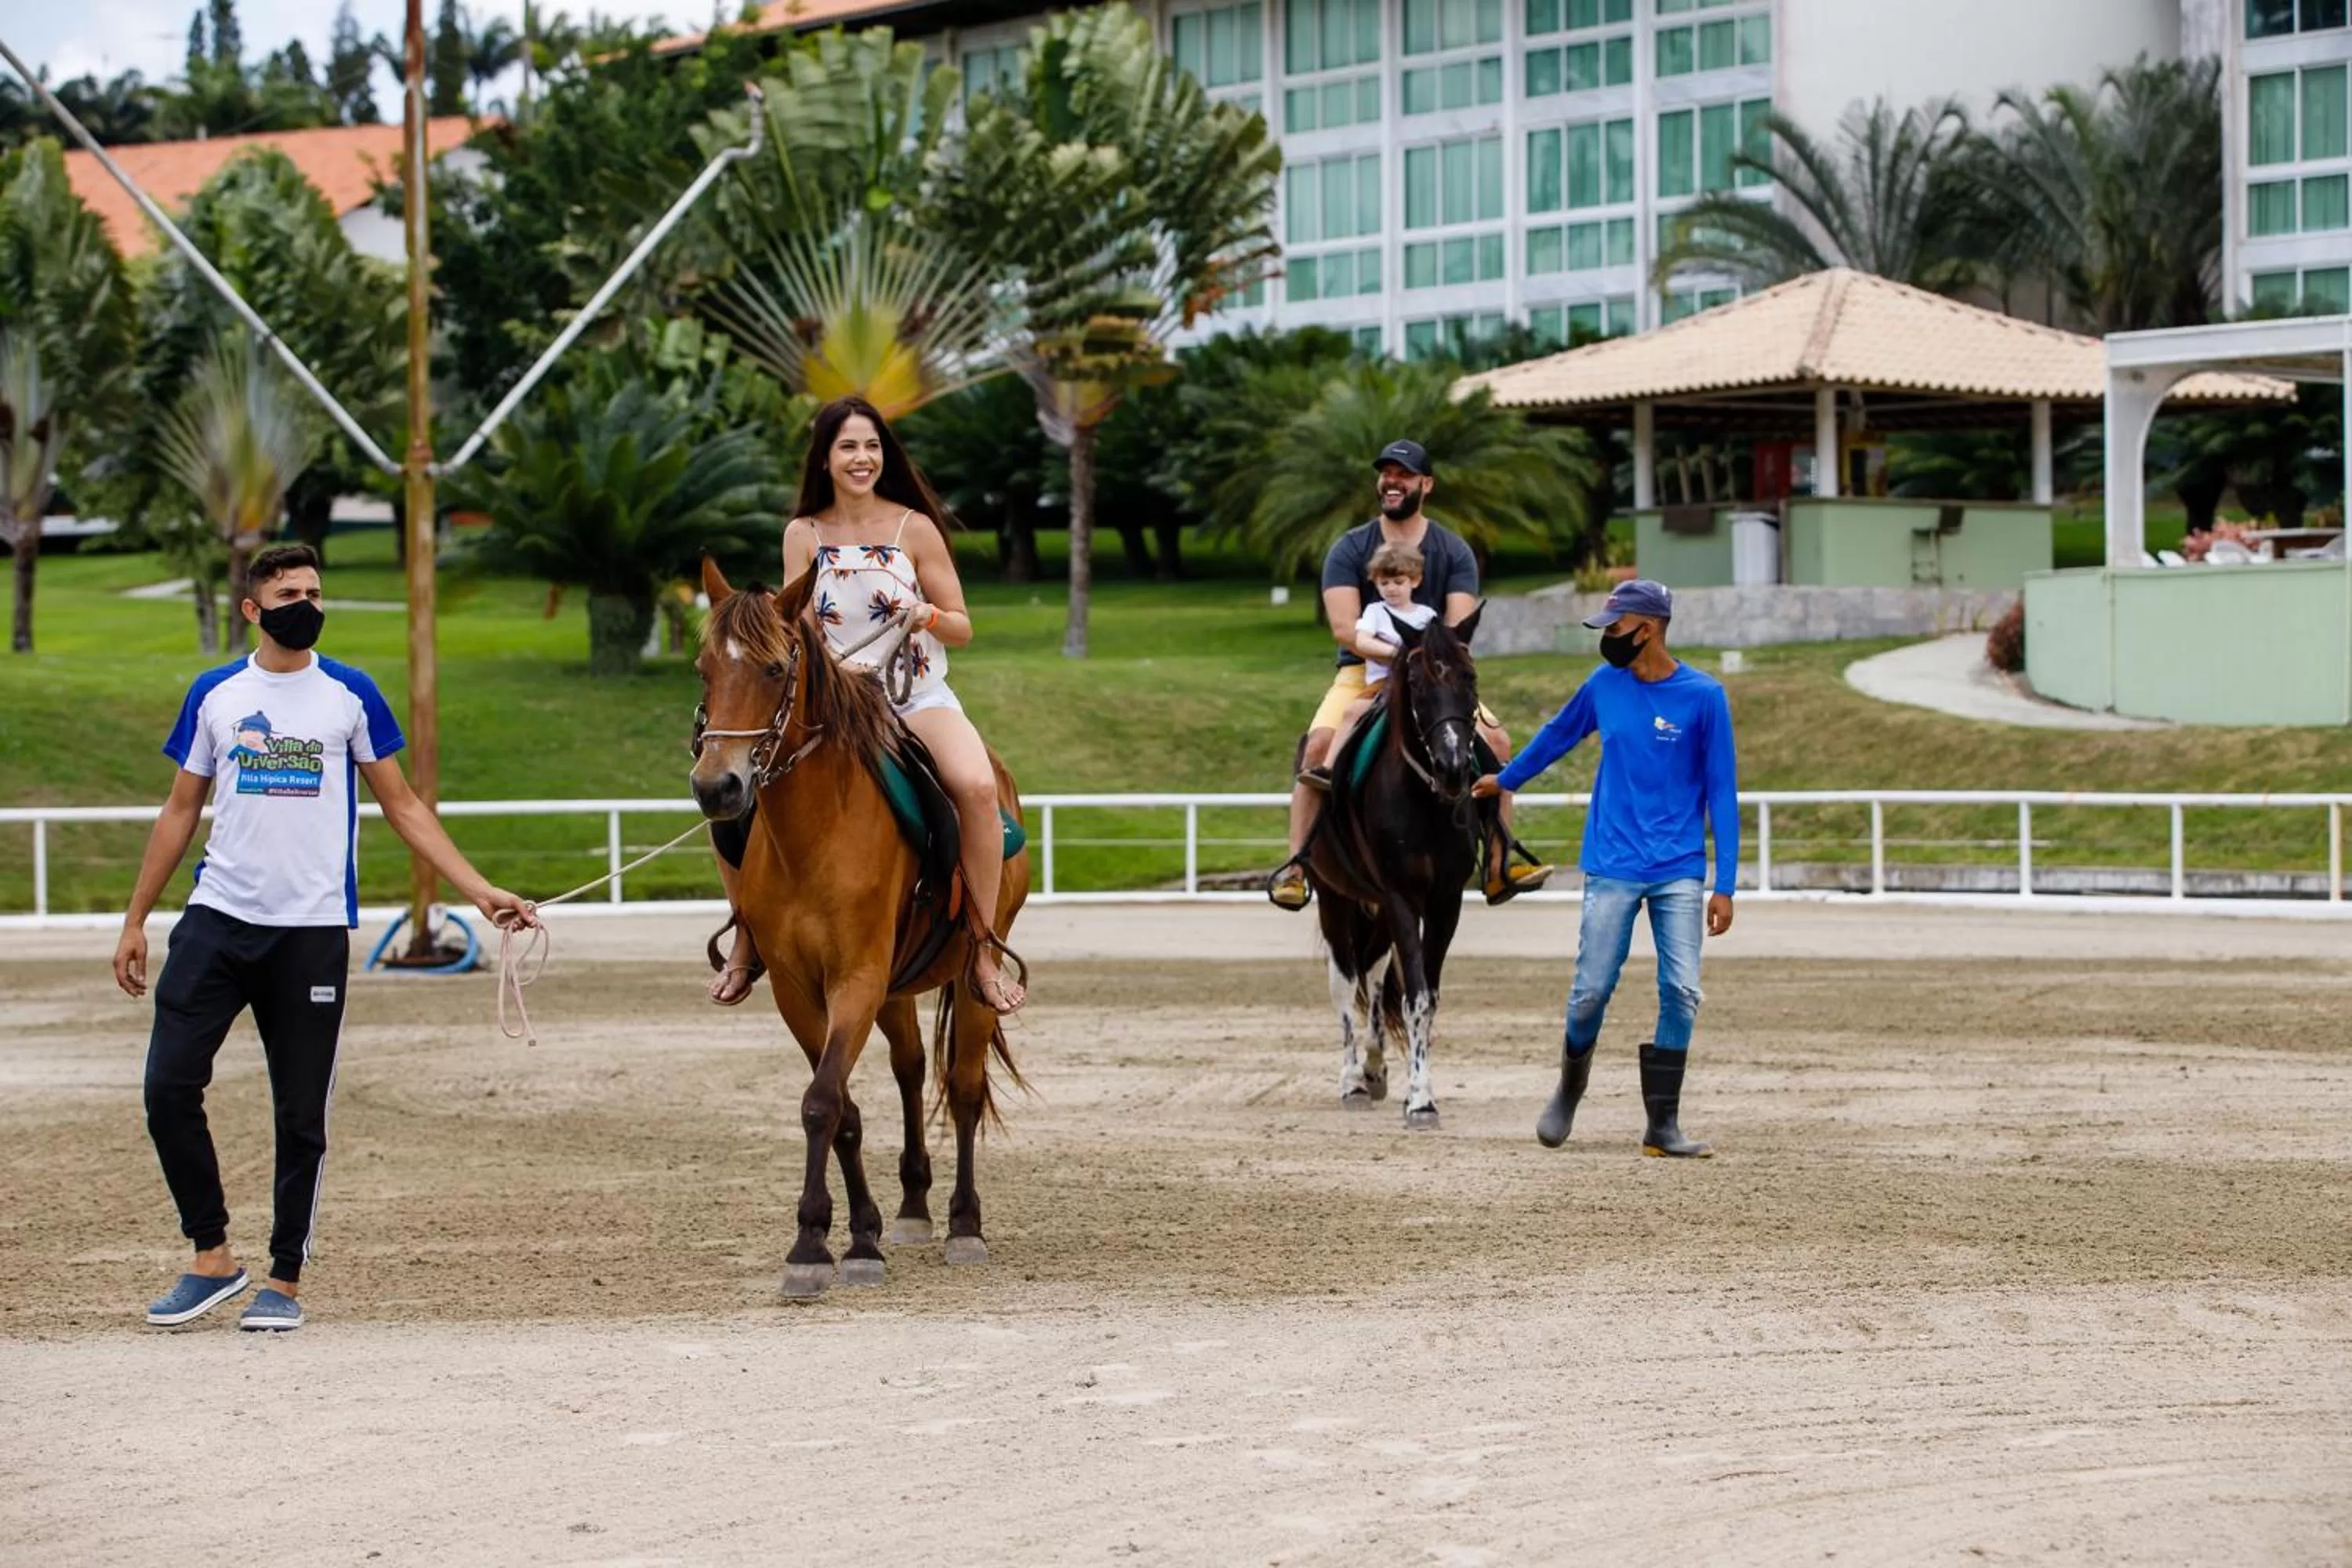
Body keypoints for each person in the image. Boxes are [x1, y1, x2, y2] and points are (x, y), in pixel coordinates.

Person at [113, 543, 535, 1331]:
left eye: (313, 592)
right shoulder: (216, 695)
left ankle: (284, 1277)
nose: (305, 604)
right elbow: (179, 810)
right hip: (216, 921)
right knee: (167, 1088)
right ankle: (212, 1256)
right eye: (288, 594)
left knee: (300, 1113)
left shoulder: (350, 693)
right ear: (253, 609)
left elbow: (403, 806)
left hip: (310, 933)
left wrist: (479, 891)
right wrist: (136, 919)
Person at [706, 394, 1025, 1014]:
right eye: (848, 446)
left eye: (872, 445)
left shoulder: (915, 528)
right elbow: (797, 628)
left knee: (978, 788)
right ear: (824, 459)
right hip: (837, 706)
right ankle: (747, 934)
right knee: (738, 795)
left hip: (917, 698)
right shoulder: (802, 534)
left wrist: (926, 614)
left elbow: (962, 626)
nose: (862, 458)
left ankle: (982, 949)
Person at [1470, 579, 1737, 1159]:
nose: (1608, 636)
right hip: (1613, 862)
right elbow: (1557, 735)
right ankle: (1569, 1091)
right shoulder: (1603, 686)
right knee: (1590, 989)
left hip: (1679, 867)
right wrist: (1507, 779)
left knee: (1682, 990)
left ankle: (1662, 1126)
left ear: (1649, 628)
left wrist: (1726, 885)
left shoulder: (1704, 697)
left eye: (1615, 627)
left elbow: (1722, 792)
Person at [1268, 437, 1550, 910]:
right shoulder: (1349, 548)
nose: (1392, 482)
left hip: (1434, 677)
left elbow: (1458, 631)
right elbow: (1345, 629)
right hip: (1363, 672)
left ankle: (1500, 860)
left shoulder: (1453, 550)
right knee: (1317, 747)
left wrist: (1422, 662)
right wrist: (1399, 652)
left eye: (1403, 474)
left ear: (1426, 485)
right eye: (1386, 473)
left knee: (1499, 743)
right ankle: (1296, 866)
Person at [1298, 542, 1435, 786]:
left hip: (1421, 684)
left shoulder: (1427, 615)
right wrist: (1397, 653)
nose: (1391, 589)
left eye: (1398, 582)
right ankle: (1329, 768)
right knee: (1353, 711)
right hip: (1384, 683)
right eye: (1384, 583)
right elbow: (1362, 641)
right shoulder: (1375, 612)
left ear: (1415, 581)